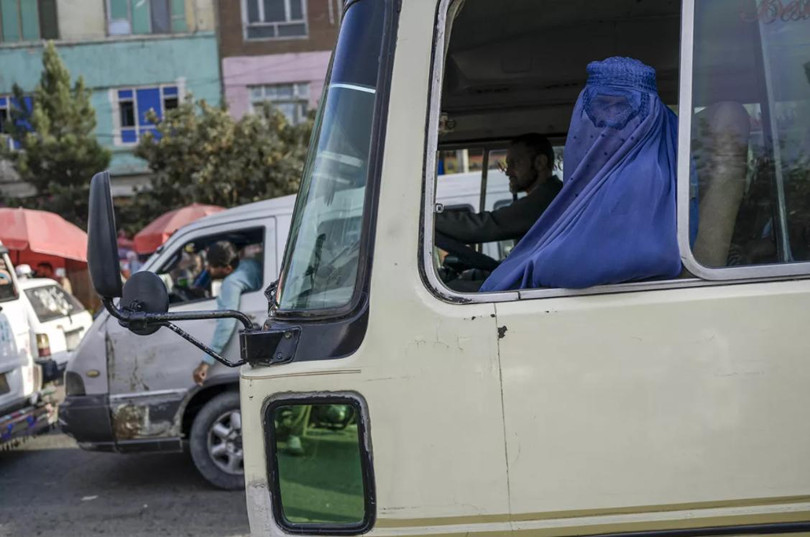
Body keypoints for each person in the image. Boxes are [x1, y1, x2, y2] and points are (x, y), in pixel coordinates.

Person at [436, 133, 563, 244]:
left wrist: (430, 220)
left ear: (540, 162)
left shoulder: (546, 199)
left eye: (515, 163)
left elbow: (485, 226)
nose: (508, 172)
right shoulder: (552, 194)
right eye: (507, 165)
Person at [192, 241, 262, 385]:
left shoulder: (231, 283)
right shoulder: (250, 264)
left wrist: (206, 362)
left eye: (212, 266)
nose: (208, 269)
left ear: (227, 268)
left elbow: (226, 323)